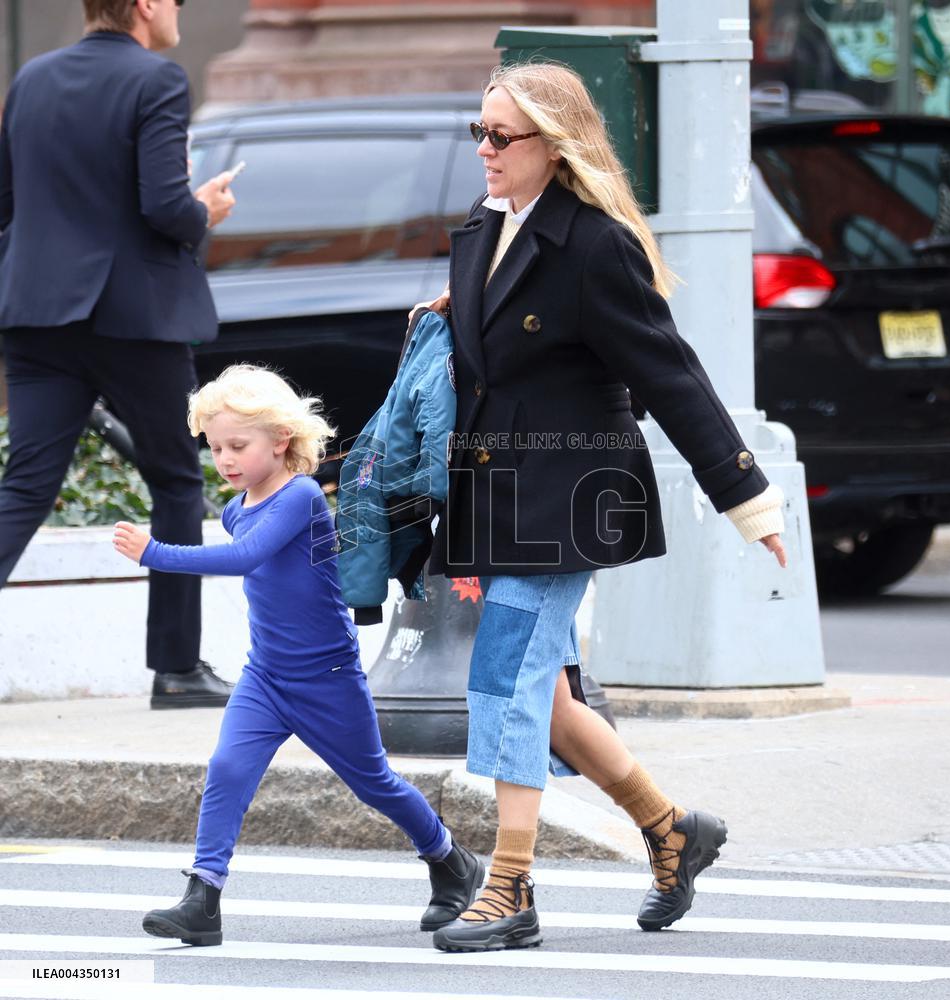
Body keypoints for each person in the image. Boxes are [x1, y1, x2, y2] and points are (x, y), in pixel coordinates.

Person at [410, 62, 789, 953]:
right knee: (542, 695)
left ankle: (509, 886)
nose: (484, 150)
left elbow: (670, 374)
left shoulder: (594, 246)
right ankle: (670, 830)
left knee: (506, 679)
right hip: (494, 494)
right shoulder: (482, 231)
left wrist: (747, 497)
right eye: (478, 131)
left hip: (567, 498)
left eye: (501, 136)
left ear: (555, 144)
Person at [113, 365, 483, 946]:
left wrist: (153, 551)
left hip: (326, 678)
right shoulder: (238, 507)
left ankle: (451, 860)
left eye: (237, 445)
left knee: (375, 783)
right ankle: (203, 897)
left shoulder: (301, 497)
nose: (224, 459)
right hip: (265, 676)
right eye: (215, 447)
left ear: (281, 439)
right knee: (228, 770)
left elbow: (244, 559)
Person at [0, 0, 236, 708]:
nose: (179, 9)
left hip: (36, 312)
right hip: (132, 318)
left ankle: (179, 668)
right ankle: (177, 670)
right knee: (175, 482)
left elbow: (7, 204)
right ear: (144, 5)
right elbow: (164, 206)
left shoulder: (32, 78)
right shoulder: (157, 78)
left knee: (25, 486)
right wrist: (205, 212)